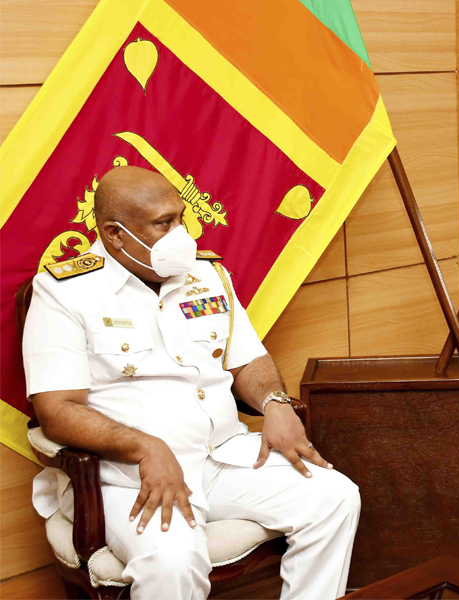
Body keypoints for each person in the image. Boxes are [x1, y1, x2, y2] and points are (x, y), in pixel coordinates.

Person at [23, 166, 360, 599]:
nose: (182, 234)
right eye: (164, 224)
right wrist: (145, 447)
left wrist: (275, 402)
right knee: (173, 560)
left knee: (335, 497)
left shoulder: (207, 274)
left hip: (221, 457)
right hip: (127, 477)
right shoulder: (64, 292)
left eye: (180, 217)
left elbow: (249, 360)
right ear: (115, 235)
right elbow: (56, 410)